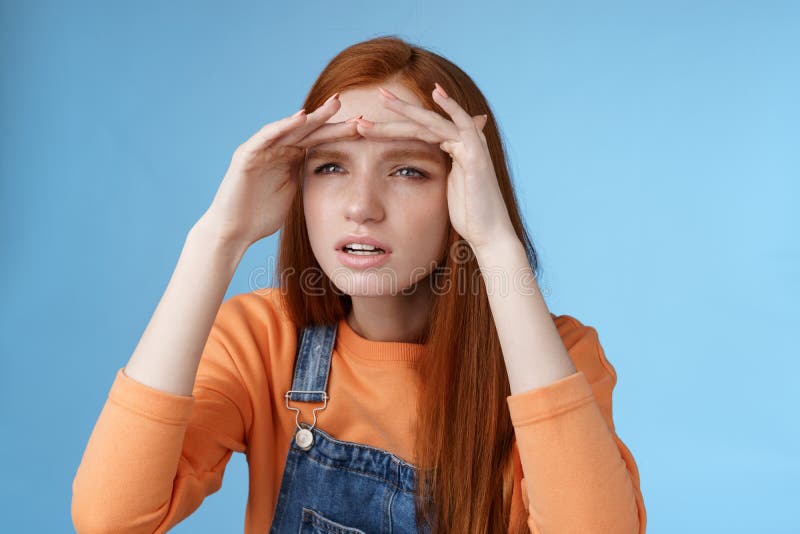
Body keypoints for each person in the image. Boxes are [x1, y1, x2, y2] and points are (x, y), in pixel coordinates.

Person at [71, 35, 647, 533]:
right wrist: (216, 239)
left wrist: (495, 244)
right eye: (330, 166)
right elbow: (111, 520)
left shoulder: (559, 359)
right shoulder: (259, 342)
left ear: (465, 189)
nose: (361, 207)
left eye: (408, 170)